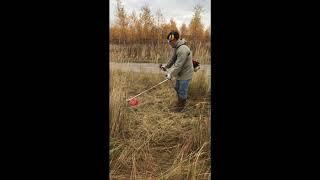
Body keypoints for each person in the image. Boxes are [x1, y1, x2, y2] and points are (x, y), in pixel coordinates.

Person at [159, 31, 194, 112]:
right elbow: (173, 59)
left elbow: (178, 65)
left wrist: (170, 74)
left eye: (169, 41)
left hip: (186, 74)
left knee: (182, 90)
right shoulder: (177, 47)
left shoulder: (182, 49)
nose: (169, 43)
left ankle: (181, 108)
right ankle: (180, 102)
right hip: (180, 73)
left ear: (174, 40)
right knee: (177, 88)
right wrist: (166, 66)